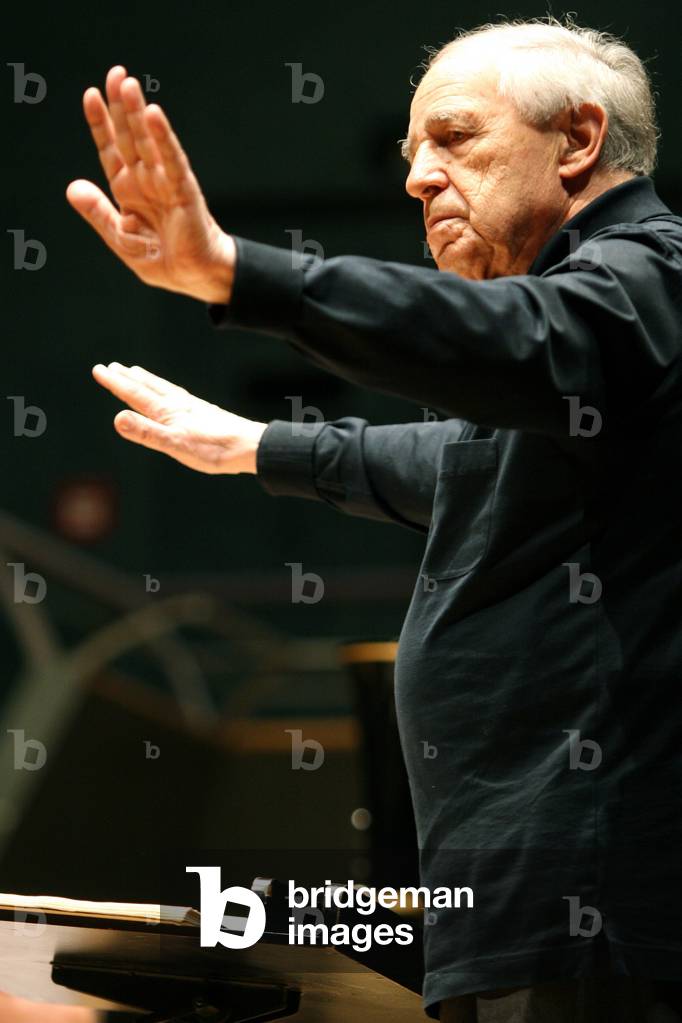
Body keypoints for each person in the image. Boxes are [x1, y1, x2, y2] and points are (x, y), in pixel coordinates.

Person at [9, 14, 682, 1023]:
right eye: (412, 154)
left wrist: (241, 274)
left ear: (578, 141)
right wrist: (254, 445)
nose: (416, 178)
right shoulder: (580, 361)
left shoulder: (650, 274)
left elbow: (507, 340)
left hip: (595, 911)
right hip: (518, 908)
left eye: (455, 138)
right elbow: (452, 457)